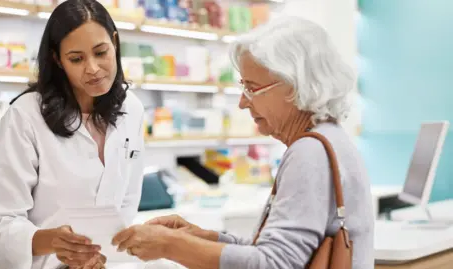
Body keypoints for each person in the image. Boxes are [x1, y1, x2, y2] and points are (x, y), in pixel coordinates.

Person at [110, 16, 374, 269]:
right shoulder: (331, 138)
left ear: (294, 86)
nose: (243, 101)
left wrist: (171, 245)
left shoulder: (310, 151)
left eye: (252, 87)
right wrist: (200, 238)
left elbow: (275, 264)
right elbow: (273, 251)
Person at [0, 1, 145, 268]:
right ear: (58, 60)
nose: (92, 68)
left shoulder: (132, 110)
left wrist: (102, 255)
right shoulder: (26, 115)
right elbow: (1, 219)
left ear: (115, 42)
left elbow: (125, 203)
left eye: (101, 52)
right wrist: (51, 241)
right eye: (76, 59)